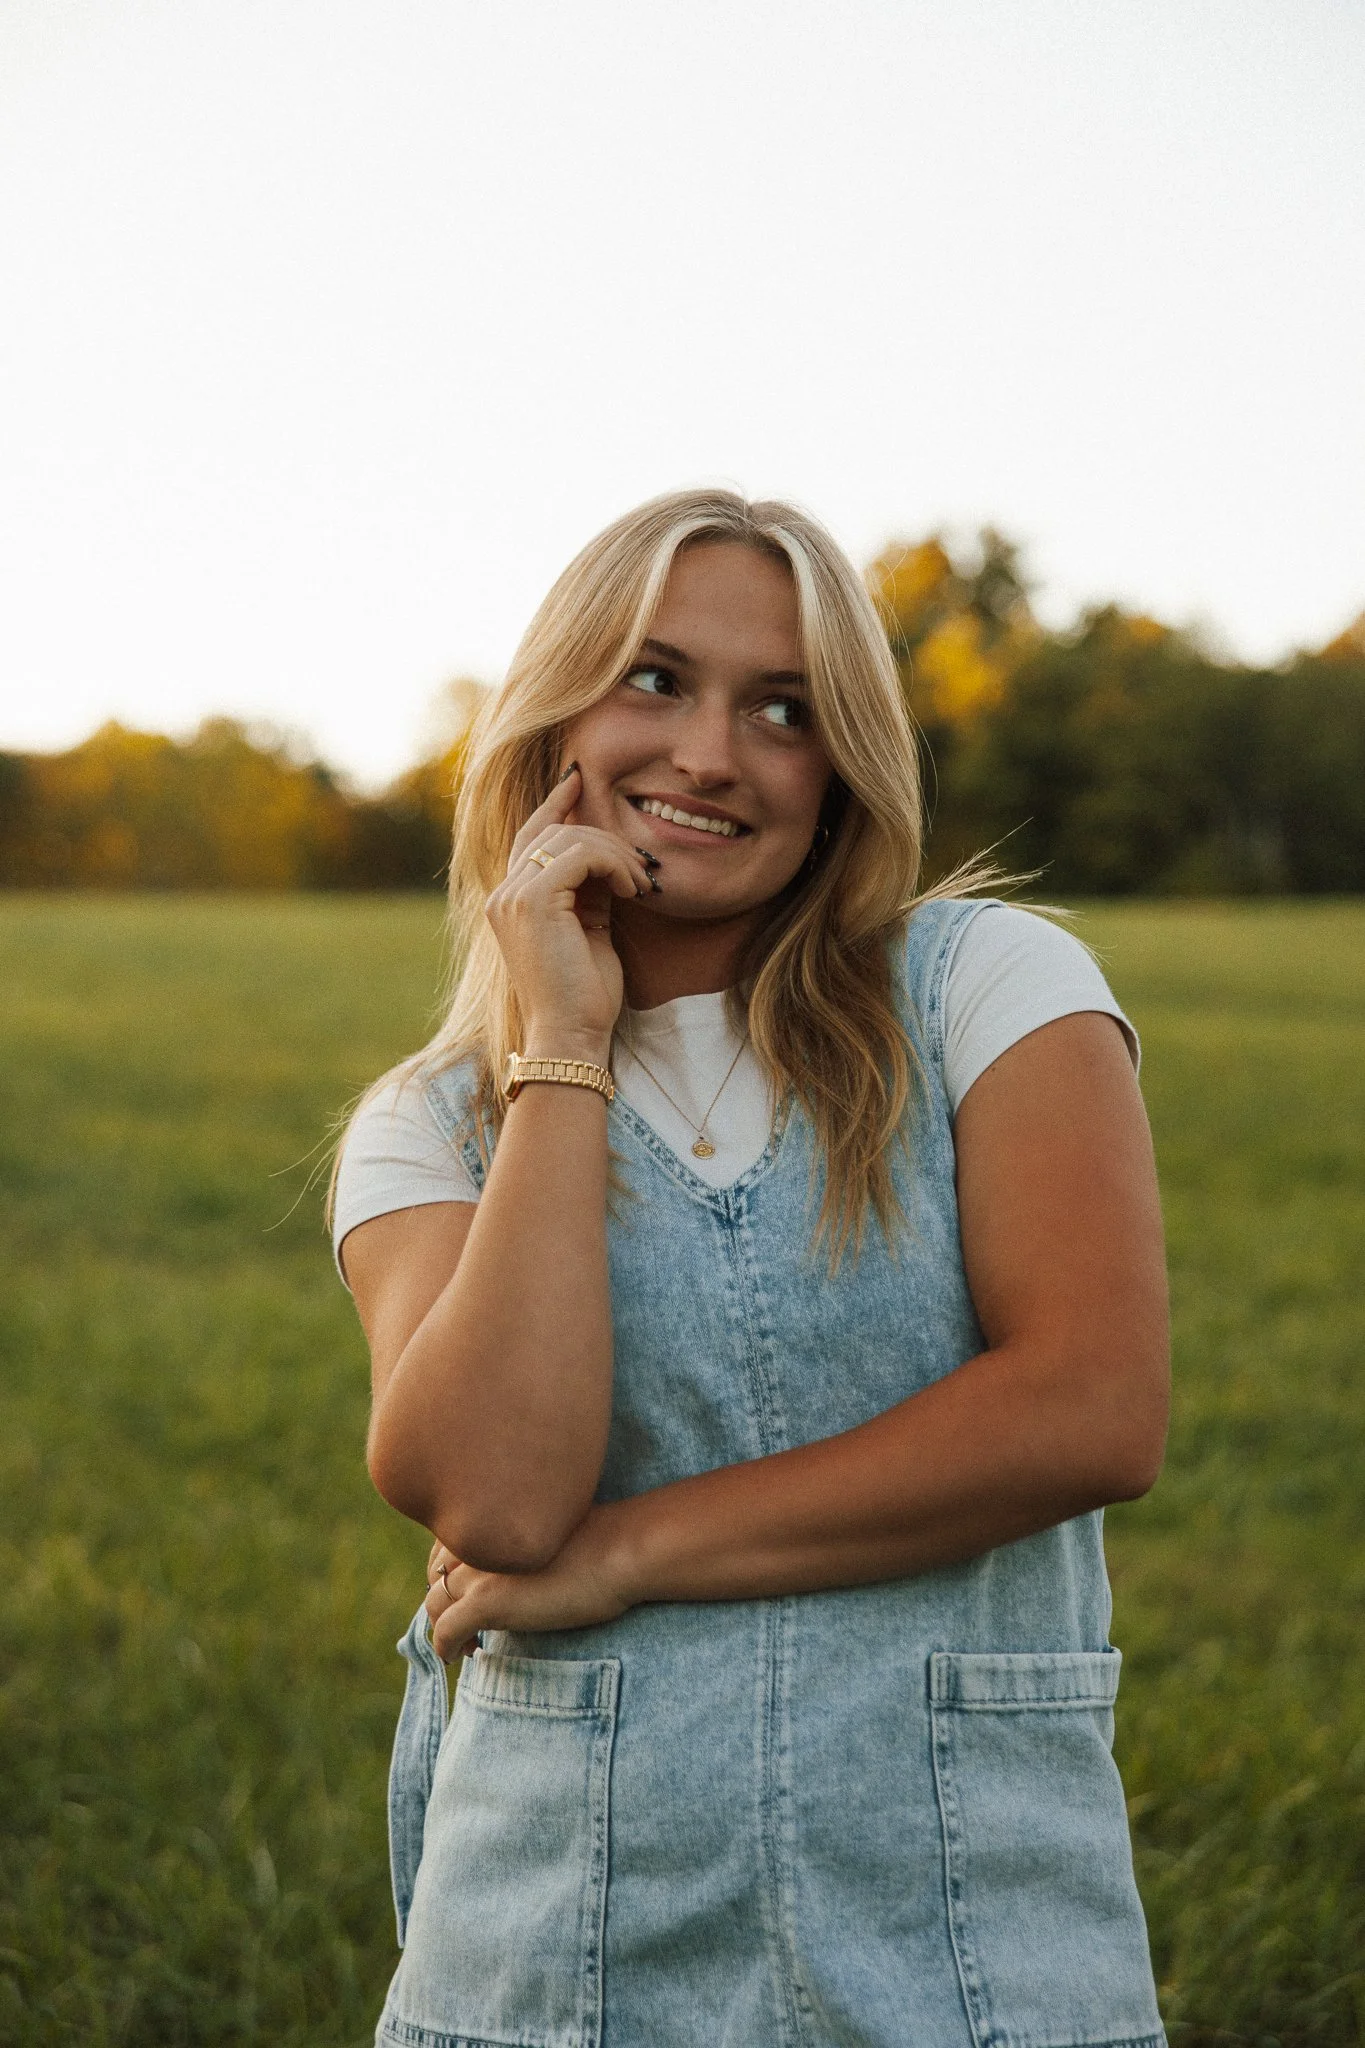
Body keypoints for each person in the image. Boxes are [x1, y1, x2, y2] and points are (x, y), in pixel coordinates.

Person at [332, 488, 1170, 2048]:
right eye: (655, 679)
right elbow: (501, 1501)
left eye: (783, 710)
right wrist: (564, 1048)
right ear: (553, 715)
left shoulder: (989, 988)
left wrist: (633, 1552)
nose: (710, 755)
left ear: (842, 767)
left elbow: (1089, 1408)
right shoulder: (430, 1125)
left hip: (973, 1938)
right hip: (554, 1951)